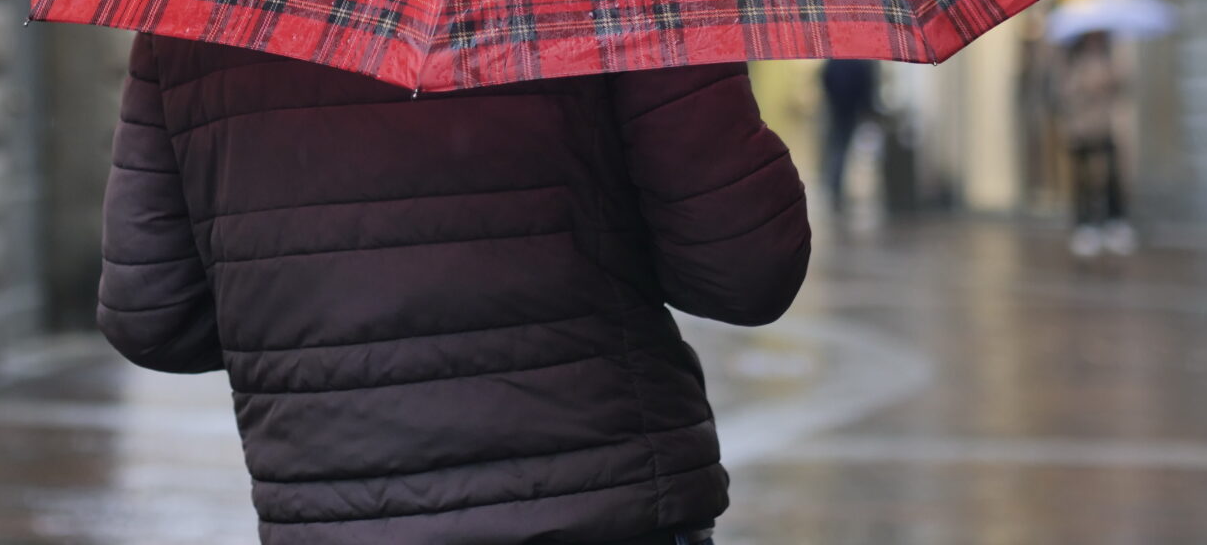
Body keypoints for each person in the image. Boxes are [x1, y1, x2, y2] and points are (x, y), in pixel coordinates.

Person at [98, 33, 812, 545]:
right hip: (604, 497)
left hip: (332, 505)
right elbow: (745, 275)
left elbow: (152, 314)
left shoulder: (203, 8)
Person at [1058, 30, 1135, 257]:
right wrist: (1086, 87)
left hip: (1104, 127)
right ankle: (1084, 225)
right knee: (1082, 179)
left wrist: (1109, 80)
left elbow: (1122, 86)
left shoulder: (1109, 60)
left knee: (1111, 176)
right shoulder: (1072, 63)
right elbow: (1066, 93)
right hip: (1080, 130)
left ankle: (1115, 222)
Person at [817, 58, 879, 214]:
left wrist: (831, 100)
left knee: (836, 148)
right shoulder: (861, 61)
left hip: (836, 108)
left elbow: (824, 79)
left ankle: (834, 188)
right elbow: (867, 86)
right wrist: (867, 108)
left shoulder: (834, 60)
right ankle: (836, 189)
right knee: (842, 149)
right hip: (850, 110)